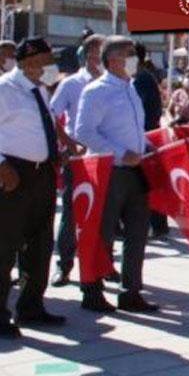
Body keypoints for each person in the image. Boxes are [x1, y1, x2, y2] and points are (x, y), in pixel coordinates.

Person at [73, 37, 159, 313]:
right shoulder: (96, 91)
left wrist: (146, 145)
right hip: (108, 171)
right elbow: (84, 132)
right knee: (102, 233)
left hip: (136, 171)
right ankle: (92, 290)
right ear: (112, 60)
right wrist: (121, 152)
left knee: (137, 232)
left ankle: (131, 291)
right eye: (129, 54)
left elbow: (131, 128)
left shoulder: (131, 88)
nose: (135, 59)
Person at [0, 38, 69, 336]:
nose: (52, 66)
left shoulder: (39, 89)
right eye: (47, 60)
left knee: (40, 245)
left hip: (42, 175)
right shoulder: (5, 89)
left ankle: (31, 307)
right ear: (29, 61)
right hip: (14, 174)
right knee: (5, 246)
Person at [49, 34, 104, 287]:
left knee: (105, 215)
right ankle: (64, 265)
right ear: (86, 55)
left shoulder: (116, 84)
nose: (98, 57)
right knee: (72, 213)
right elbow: (52, 114)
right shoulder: (71, 84)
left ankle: (102, 264)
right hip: (79, 158)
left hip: (106, 157)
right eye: (95, 51)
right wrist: (69, 144)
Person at [130, 41, 169, 238]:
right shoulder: (139, 78)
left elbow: (146, 112)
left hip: (144, 138)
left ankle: (158, 223)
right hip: (142, 137)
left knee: (147, 183)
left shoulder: (142, 80)